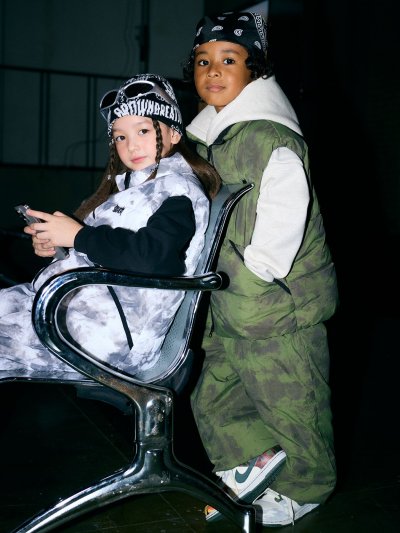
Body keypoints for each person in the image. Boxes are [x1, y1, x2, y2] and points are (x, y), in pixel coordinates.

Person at [182, 11, 339, 527]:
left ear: (256, 70)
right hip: (223, 300)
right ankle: (247, 468)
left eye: (229, 59)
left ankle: (307, 488)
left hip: (275, 303)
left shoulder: (271, 137)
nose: (213, 70)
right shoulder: (203, 140)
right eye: (203, 61)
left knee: (291, 398)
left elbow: (285, 209)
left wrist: (258, 271)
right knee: (214, 393)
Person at [0, 73, 221, 381]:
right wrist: (61, 245)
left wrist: (79, 236)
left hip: (108, 335)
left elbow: (154, 257)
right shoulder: (133, 187)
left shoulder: (178, 191)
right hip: (78, 310)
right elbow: (104, 249)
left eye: (143, 130)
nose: (131, 146)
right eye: (120, 137)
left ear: (173, 134)